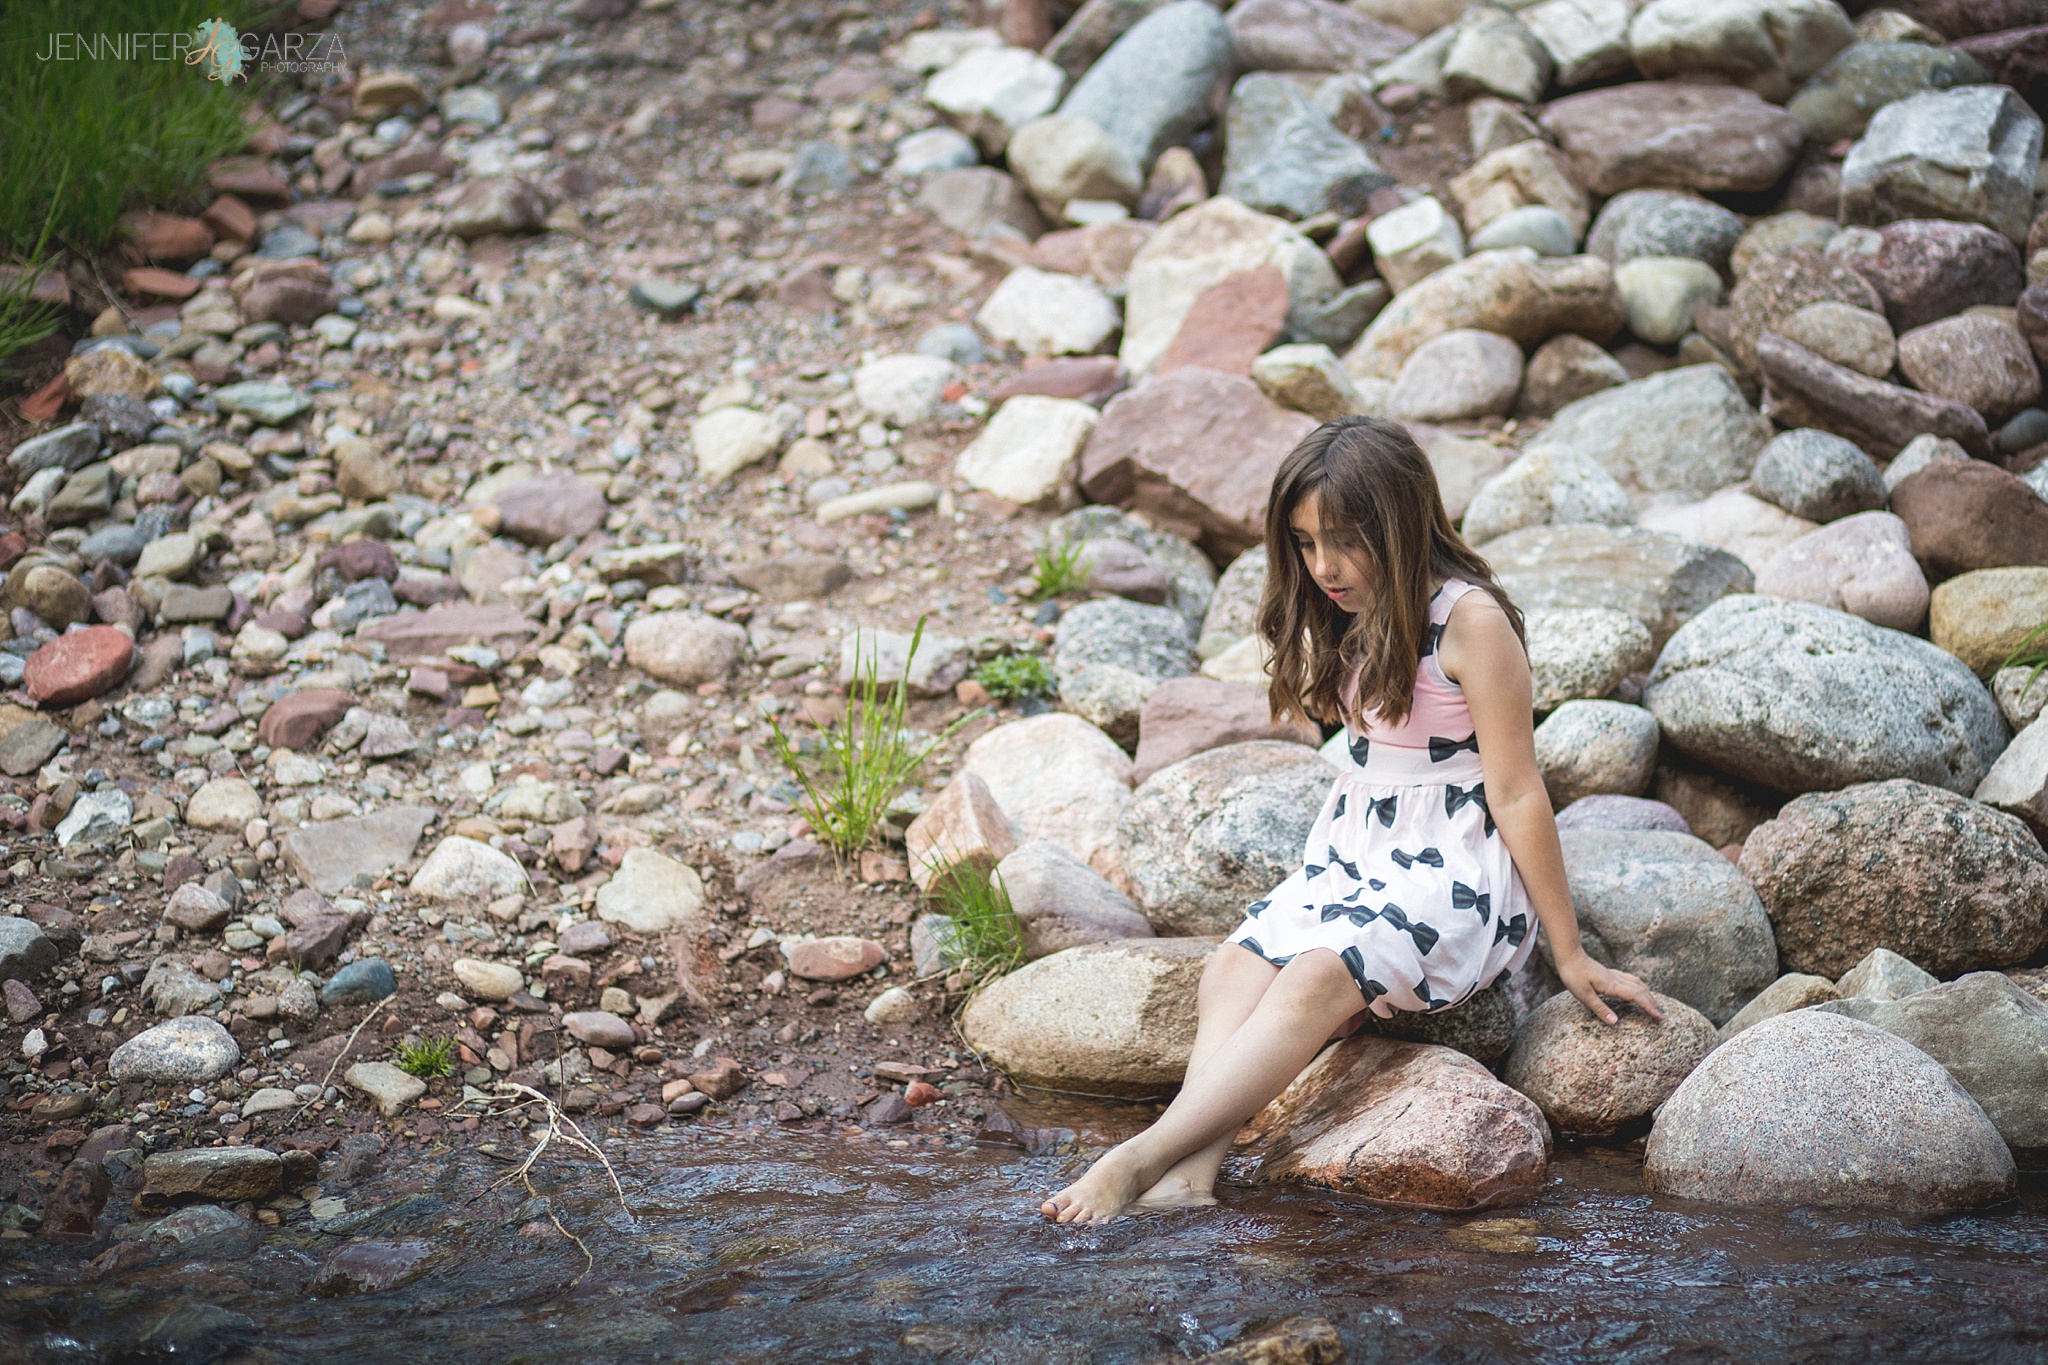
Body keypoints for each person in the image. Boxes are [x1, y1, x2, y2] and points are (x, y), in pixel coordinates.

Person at [1042, 417, 1662, 1225]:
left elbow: (1517, 790)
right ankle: (1194, 1171)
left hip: (1454, 864)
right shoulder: (1350, 604)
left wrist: (1568, 950)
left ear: (1399, 525)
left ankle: (1138, 1156)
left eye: (1342, 541)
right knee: (1230, 967)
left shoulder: (1471, 623)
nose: (1323, 566)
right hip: (1360, 851)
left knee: (1313, 976)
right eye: (1303, 543)